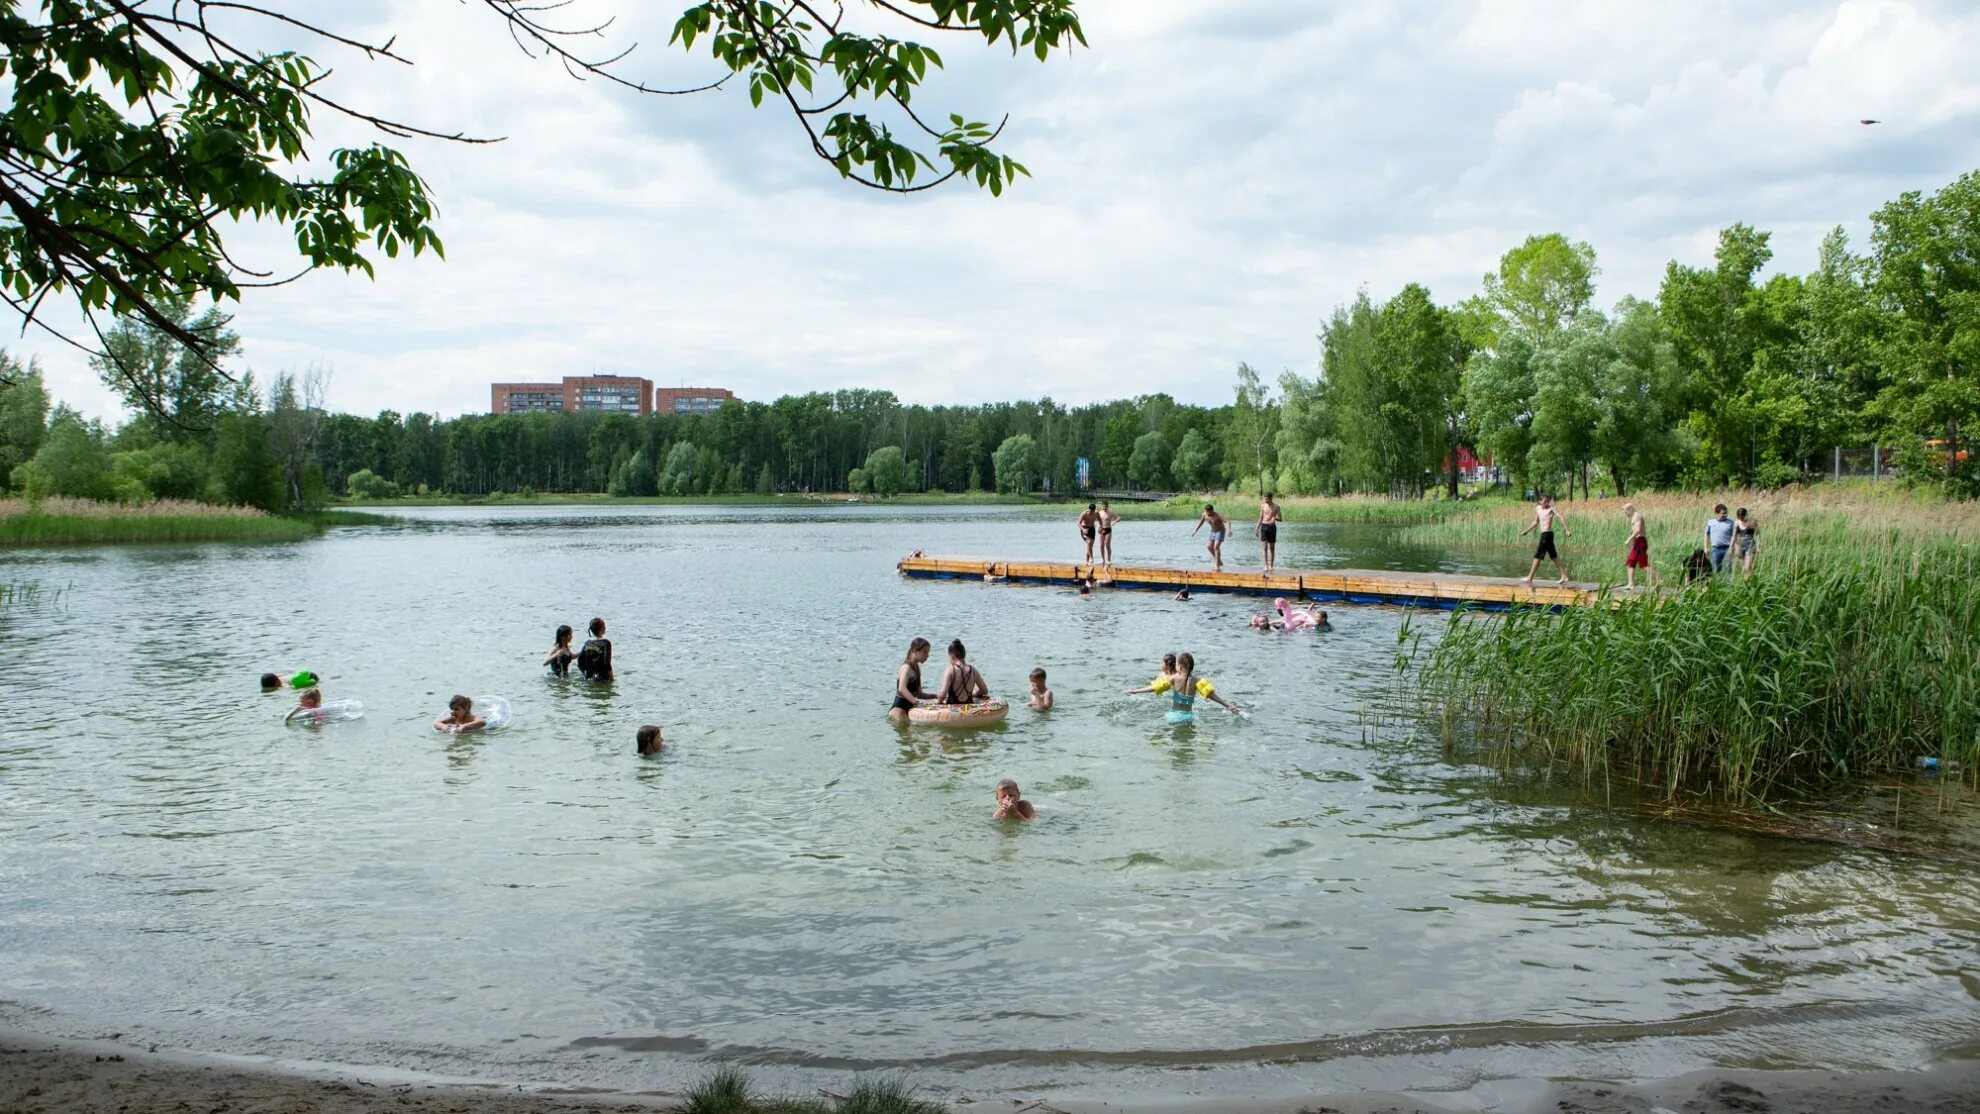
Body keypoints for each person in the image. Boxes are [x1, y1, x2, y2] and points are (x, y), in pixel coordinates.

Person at [1124, 651, 1239, 723]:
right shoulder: (1197, 681)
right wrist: (1228, 705)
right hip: (1189, 717)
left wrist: (1135, 691)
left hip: (1173, 716)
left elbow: (1155, 688)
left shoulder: (1174, 678)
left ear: (1180, 665)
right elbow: (1211, 695)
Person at [1517, 494, 1571, 586]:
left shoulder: (1551, 508)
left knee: (1537, 555)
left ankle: (1530, 577)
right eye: (1545, 501)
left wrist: (1566, 529)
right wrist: (1526, 531)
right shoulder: (1538, 508)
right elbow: (1536, 521)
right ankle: (1564, 576)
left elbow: (1561, 516)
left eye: (1548, 501)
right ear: (1540, 501)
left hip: (1547, 535)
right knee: (1553, 556)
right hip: (1544, 535)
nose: (1546, 503)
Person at [890, 637, 933, 723]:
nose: (927, 656)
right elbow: (902, 688)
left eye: (928, 653)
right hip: (899, 711)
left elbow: (919, 694)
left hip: (910, 711)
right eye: (925, 652)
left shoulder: (916, 668)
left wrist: (935, 696)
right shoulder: (906, 668)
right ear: (915, 651)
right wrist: (917, 703)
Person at [935, 639, 990, 705]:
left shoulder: (950, 670)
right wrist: (974, 693)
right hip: (969, 708)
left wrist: (938, 703)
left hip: (952, 710)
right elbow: (984, 691)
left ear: (952, 656)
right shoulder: (973, 670)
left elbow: (943, 695)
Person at [1622, 503, 1656, 591]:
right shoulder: (1633, 517)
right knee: (1630, 562)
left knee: (1643, 564)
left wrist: (1628, 539)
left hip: (1641, 542)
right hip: (1637, 542)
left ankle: (1658, 580)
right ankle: (1631, 584)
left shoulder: (1637, 516)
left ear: (1630, 509)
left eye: (1625, 511)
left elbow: (1637, 530)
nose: (1625, 513)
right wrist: (1633, 542)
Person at [1192, 504, 1228, 571]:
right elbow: (1201, 522)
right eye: (1206, 511)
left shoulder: (1218, 515)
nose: (1207, 513)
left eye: (1208, 512)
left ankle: (1217, 566)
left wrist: (1229, 530)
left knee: (1216, 547)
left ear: (1212, 511)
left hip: (1220, 530)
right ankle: (1219, 561)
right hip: (1213, 531)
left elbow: (1227, 521)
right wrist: (1195, 530)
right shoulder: (1204, 515)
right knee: (1209, 547)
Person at [577, 617, 613, 682]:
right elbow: (607, 664)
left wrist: (585, 674)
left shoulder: (587, 643)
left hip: (589, 678)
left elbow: (580, 662)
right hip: (602, 679)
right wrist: (612, 679)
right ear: (602, 628)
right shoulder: (605, 643)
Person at [1704, 504, 1735, 574]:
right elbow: (1706, 534)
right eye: (1723, 513)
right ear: (1717, 513)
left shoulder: (1730, 523)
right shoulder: (1711, 522)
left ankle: (1729, 584)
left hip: (1727, 548)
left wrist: (1732, 548)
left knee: (1728, 568)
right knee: (1715, 568)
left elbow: (1734, 535)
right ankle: (1717, 583)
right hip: (1716, 549)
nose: (1725, 515)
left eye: (1726, 513)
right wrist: (1706, 547)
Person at [1258, 492, 1283, 573]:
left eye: (1266, 499)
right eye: (1264, 498)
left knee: (1272, 548)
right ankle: (1265, 565)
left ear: (1270, 498)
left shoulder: (1276, 507)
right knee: (1264, 548)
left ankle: (1271, 565)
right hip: (1264, 526)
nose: (1265, 500)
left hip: (1272, 528)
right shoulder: (1263, 506)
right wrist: (1257, 528)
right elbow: (1260, 517)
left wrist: (1274, 518)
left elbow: (1280, 519)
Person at [1733, 507, 1759, 574]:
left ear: (1745, 515)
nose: (1740, 519)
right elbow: (1734, 536)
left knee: (1748, 568)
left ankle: (1749, 582)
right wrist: (1734, 547)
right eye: (1739, 517)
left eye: (1742, 517)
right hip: (1740, 546)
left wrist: (1758, 546)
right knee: (1744, 568)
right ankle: (1747, 581)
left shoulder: (1752, 522)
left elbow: (1758, 534)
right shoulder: (1736, 523)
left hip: (1750, 545)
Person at [1098, 500, 1121, 566]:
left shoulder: (1110, 513)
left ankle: (1109, 559)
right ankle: (1103, 559)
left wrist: (1114, 522)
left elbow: (1119, 518)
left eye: (1105, 506)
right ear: (1101, 506)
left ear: (1107, 506)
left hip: (1108, 530)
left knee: (1107, 545)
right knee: (1101, 545)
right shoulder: (1099, 513)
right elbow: (1094, 520)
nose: (1104, 507)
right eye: (1103, 506)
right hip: (1101, 530)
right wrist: (1098, 526)